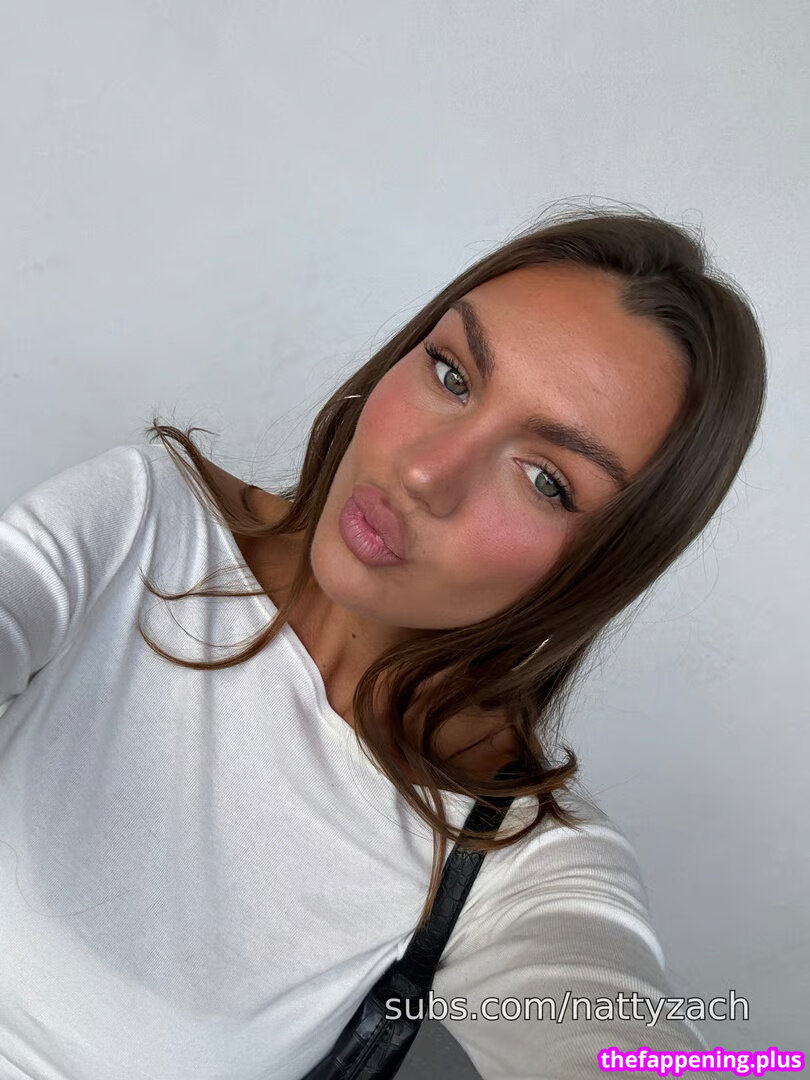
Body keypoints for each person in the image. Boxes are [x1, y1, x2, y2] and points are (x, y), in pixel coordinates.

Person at [0, 207, 766, 1079]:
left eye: (546, 479)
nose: (425, 472)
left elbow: (610, 1038)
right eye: (452, 373)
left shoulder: (514, 856)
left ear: (601, 565)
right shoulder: (138, 525)